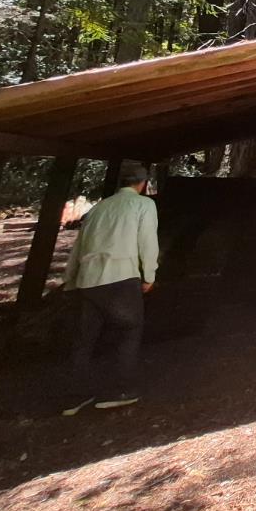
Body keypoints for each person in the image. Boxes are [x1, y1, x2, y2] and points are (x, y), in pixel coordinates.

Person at [61, 161, 159, 415]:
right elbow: (147, 242)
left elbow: (78, 246)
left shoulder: (99, 208)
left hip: (88, 280)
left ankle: (74, 396)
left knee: (84, 340)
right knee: (129, 330)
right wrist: (149, 275)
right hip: (121, 277)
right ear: (143, 184)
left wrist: (70, 281)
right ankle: (121, 390)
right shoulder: (143, 205)